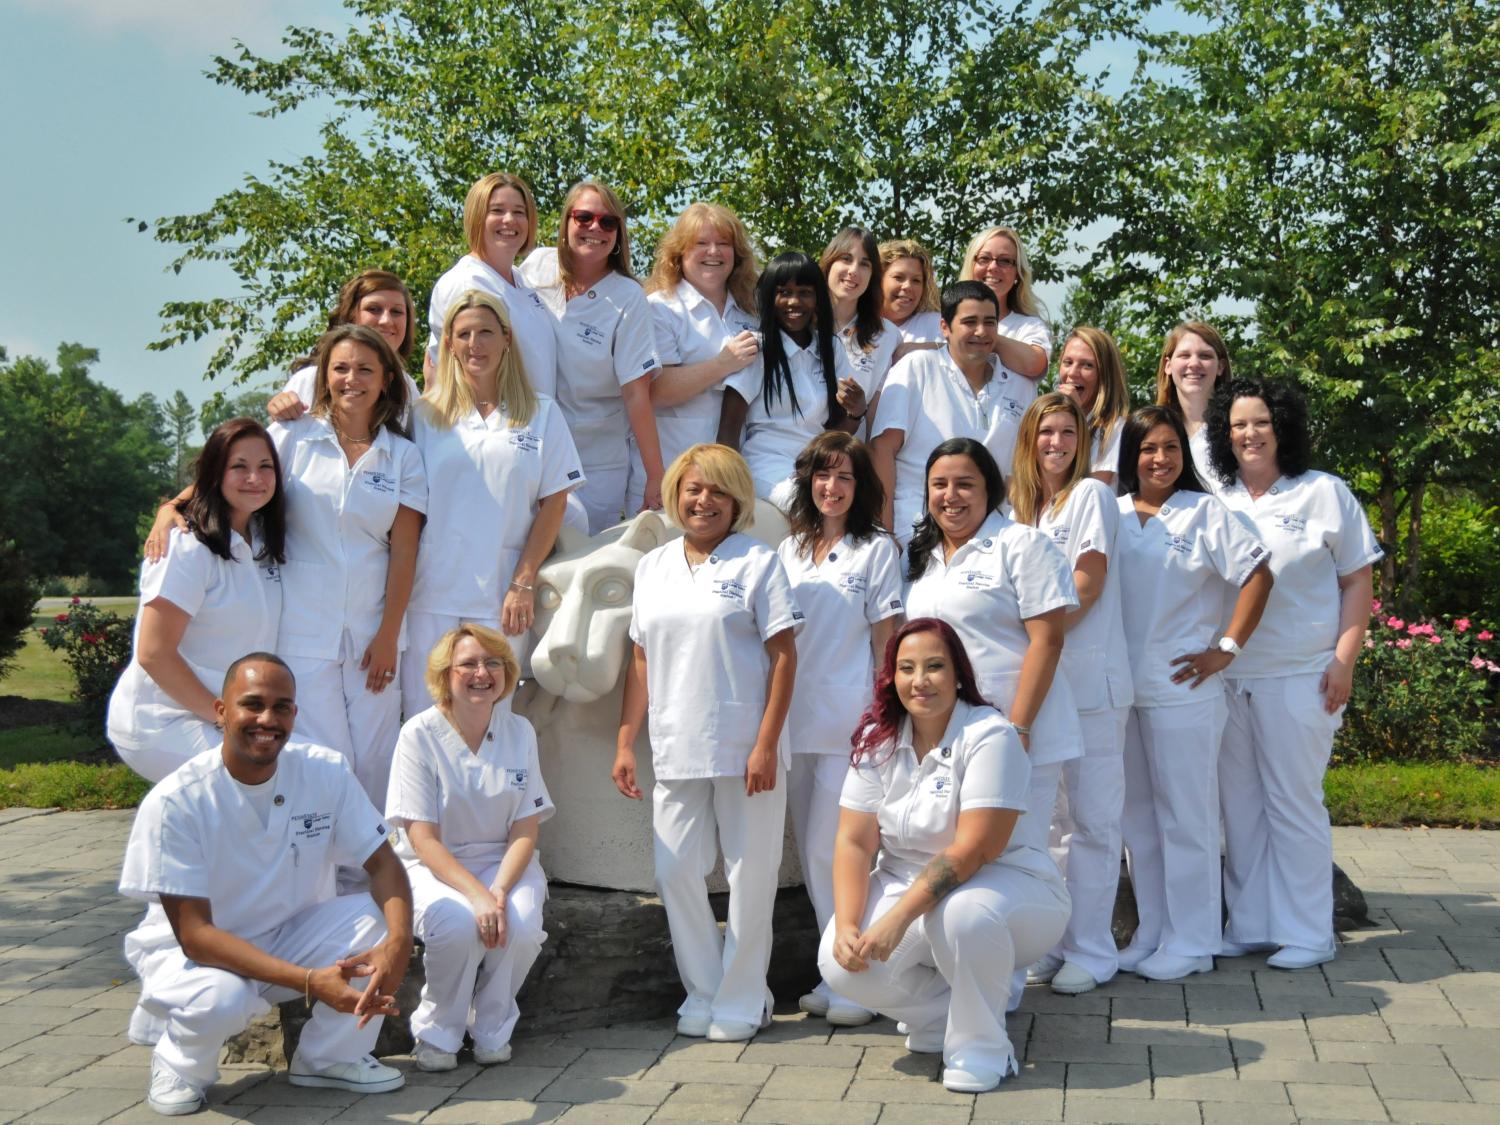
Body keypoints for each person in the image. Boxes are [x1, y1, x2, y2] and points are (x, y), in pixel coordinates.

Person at [119, 653, 413, 1116]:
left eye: (281, 707)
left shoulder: (325, 769)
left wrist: (397, 942)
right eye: (251, 705)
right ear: (221, 711)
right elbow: (196, 938)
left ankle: (329, 1058)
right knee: (224, 998)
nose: (266, 719)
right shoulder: (177, 801)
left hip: (289, 935)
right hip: (195, 960)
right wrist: (312, 981)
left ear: (295, 714)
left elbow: (384, 865)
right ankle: (182, 1063)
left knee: (383, 916)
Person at [147, 328, 426, 806]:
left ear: (385, 380)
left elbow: (404, 552)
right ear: (323, 377)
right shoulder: (293, 436)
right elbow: (235, 468)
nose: (350, 379)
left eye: (365, 369)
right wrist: (170, 506)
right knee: (322, 757)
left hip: (372, 634)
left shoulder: (404, 456)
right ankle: (322, 871)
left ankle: (374, 871)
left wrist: (388, 635)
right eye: (340, 368)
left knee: (378, 759)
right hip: (301, 631)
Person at [818, 619, 1069, 1094]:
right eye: (907, 668)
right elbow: (854, 841)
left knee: (961, 915)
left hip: (1006, 885)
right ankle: (944, 1019)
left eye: (935, 666)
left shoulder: (990, 735)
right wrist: (850, 924)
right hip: (907, 879)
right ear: (891, 677)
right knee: (841, 967)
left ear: (958, 675)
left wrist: (895, 920)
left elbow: (974, 850)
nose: (921, 680)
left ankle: (983, 1047)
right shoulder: (879, 737)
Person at [613, 444, 800, 1042]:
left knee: (751, 877)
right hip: (676, 744)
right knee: (674, 872)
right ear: (675, 496)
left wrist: (767, 742)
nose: (704, 501)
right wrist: (625, 740)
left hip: (747, 747)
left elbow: (783, 656)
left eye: (718, 490)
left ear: (738, 499)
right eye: (694, 489)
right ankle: (704, 990)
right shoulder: (654, 565)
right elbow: (641, 659)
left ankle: (746, 996)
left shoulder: (759, 561)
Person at [1205, 379, 1381, 970]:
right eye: (1237, 425)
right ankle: (1251, 924)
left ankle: (1309, 932)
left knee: (1293, 803)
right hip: (1228, 677)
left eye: (1259, 422)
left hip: (1301, 675)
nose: (1248, 434)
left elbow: (1357, 579)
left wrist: (1343, 660)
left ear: (1282, 426)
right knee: (1240, 806)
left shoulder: (1323, 494)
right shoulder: (1216, 496)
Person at [902, 436, 1081, 1004]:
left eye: (964, 484)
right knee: (961, 856)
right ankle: (965, 983)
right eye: (939, 484)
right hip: (952, 740)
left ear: (990, 490)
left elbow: (1047, 639)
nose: (950, 496)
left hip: (1018, 734)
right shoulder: (926, 560)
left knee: (1008, 861)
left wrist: (1019, 727)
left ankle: (998, 993)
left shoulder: (1021, 545)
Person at [1114, 405, 1273, 980]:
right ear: (1129, 456)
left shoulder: (1204, 512)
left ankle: (1195, 939)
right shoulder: (1110, 515)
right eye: (1148, 448)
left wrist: (1226, 648)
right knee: (1138, 820)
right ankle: (1154, 931)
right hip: (1124, 692)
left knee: (1187, 818)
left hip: (1183, 687)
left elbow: (1258, 575)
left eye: (1170, 448)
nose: (1160, 459)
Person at [403, 290, 583, 716]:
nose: (474, 344)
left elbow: (554, 502)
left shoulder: (541, 413)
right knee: (424, 718)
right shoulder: (423, 417)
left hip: (502, 597)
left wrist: (522, 581)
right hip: (430, 594)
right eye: (463, 334)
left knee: (491, 718)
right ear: (448, 343)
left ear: (506, 338)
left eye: (485, 332)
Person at [776, 431, 904, 1026]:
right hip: (792, 720)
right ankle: (838, 971)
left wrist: (886, 713)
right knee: (811, 851)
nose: (832, 487)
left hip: (851, 722)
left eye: (845, 477)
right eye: (823, 476)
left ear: (861, 487)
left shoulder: (876, 549)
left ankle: (857, 982)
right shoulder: (790, 549)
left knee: (842, 853)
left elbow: (887, 638)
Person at [1008, 394, 1133, 994]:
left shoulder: (1090, 497)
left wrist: (1038, 636)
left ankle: (1094, 948)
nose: (1055, 443)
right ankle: (1052, 942)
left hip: (1090, 685)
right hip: (1044, 685)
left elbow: (1088, 581)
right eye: (1044, 433)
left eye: (1066, 433)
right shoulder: (1023, 511)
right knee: (1051, 827)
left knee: (1094, 823)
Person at [386, 625, 553, 1070]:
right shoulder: (418, 734)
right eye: (468, 664)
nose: (482, 673)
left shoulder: (519, 731)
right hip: (431, 865)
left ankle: (491, 1028)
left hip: (505, 863)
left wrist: (497, 890)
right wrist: (477, 897)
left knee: (517, 924)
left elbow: (525, 828)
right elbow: (422, 838)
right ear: (445, 674)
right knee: (458, 925)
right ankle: (439, 1033)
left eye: (493, 663)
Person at [109, 418, 286, 783]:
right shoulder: (187, 546)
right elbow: (154, 653)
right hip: (164, 719)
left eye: (265, 466)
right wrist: (224, 716)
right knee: (262, 781)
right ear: (215, 473)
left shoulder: (261, 541)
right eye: (239, 467)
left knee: (299, 779)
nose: (255, 477)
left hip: (227, 716)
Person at [520, 180, 666, 530]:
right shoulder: (537, 266)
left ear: (619, 233)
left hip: (595, 464)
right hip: (527, 449)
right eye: (583, 217)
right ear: (566, 222)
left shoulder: (629, 297)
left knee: (580, 568)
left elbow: (636, 393)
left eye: (608, 222)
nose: (595, 229)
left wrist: (655, 475)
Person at [871, 281, 1031, 543]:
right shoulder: (916, 368)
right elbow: (882, 450)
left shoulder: (1021, 387)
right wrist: (886, 536)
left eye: (990, 322)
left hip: (994, 538)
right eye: (970, 322)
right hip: (917, 532)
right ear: (945, 327)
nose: (981, 331)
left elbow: (1020, 474)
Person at [718, 252, 869, 510]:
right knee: (807, 507)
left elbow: (837, 431)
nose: (794, 301)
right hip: (767, 464)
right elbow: (728, 430)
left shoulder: (831, 347)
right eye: (784, 292)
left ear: (818, 297)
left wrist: (856, 411)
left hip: (818, 465)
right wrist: (726, 487)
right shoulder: (758, 348)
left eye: (805, 292)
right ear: (769, 297)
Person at [639, 202, 761, 511]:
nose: (713, 252)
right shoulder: (659, 309)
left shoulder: (752, 311)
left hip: (735, 473)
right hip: (674, 471)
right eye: (701, 244)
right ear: (679, 253)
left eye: (723, 244)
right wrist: (723, 363)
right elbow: (656, 390)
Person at [424, 172, 558, 398]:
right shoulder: (466, 282)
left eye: (519, 212)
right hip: (492, 426)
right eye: (497, 210)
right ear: (477, 217)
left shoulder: (521, 281)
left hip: (535, 424)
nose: (509, 220)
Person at [268, 269, 422, 423]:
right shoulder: (311, 380)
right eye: (374, 309)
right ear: (351, 315)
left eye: (396, 311)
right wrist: (283, 409)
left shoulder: (408, 388)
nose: (386, 321)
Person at [957, 225, 1051, 412]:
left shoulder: (1029, 326)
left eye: (1005, 261)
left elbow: (1034, 364)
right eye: (984, 259)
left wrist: (978, 335)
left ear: (1017, 273)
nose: (993, 267)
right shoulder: (943, 320)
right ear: (971, 264)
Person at [821, 227, 899, 401]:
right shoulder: (800, 324)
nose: (854, 271)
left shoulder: (887, 335)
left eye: (864, 264)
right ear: (828, 263)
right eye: (846, 259)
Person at [1154, 321, 1230, 491]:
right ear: (1168, 365)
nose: (1194, 363)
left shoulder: (1238, 429)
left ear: (1221, 367)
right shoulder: (1152, 431)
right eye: (1184, 355)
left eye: (1205, 356)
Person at [1055, 326, 1131, 488]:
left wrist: (1076, 417)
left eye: (1087, 365)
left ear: (1104, 375)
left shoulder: (1117, 428)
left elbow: (1094, 488)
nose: (1073, 373)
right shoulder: (1048, 423)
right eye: (1067, 362)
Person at [878, 238, 943, 350]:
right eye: (898, 277)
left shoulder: (936, 324)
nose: (908, 286)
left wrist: (921, 349)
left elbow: (965, 353)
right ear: (878, 279)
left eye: (916, 280)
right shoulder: (854, 323)